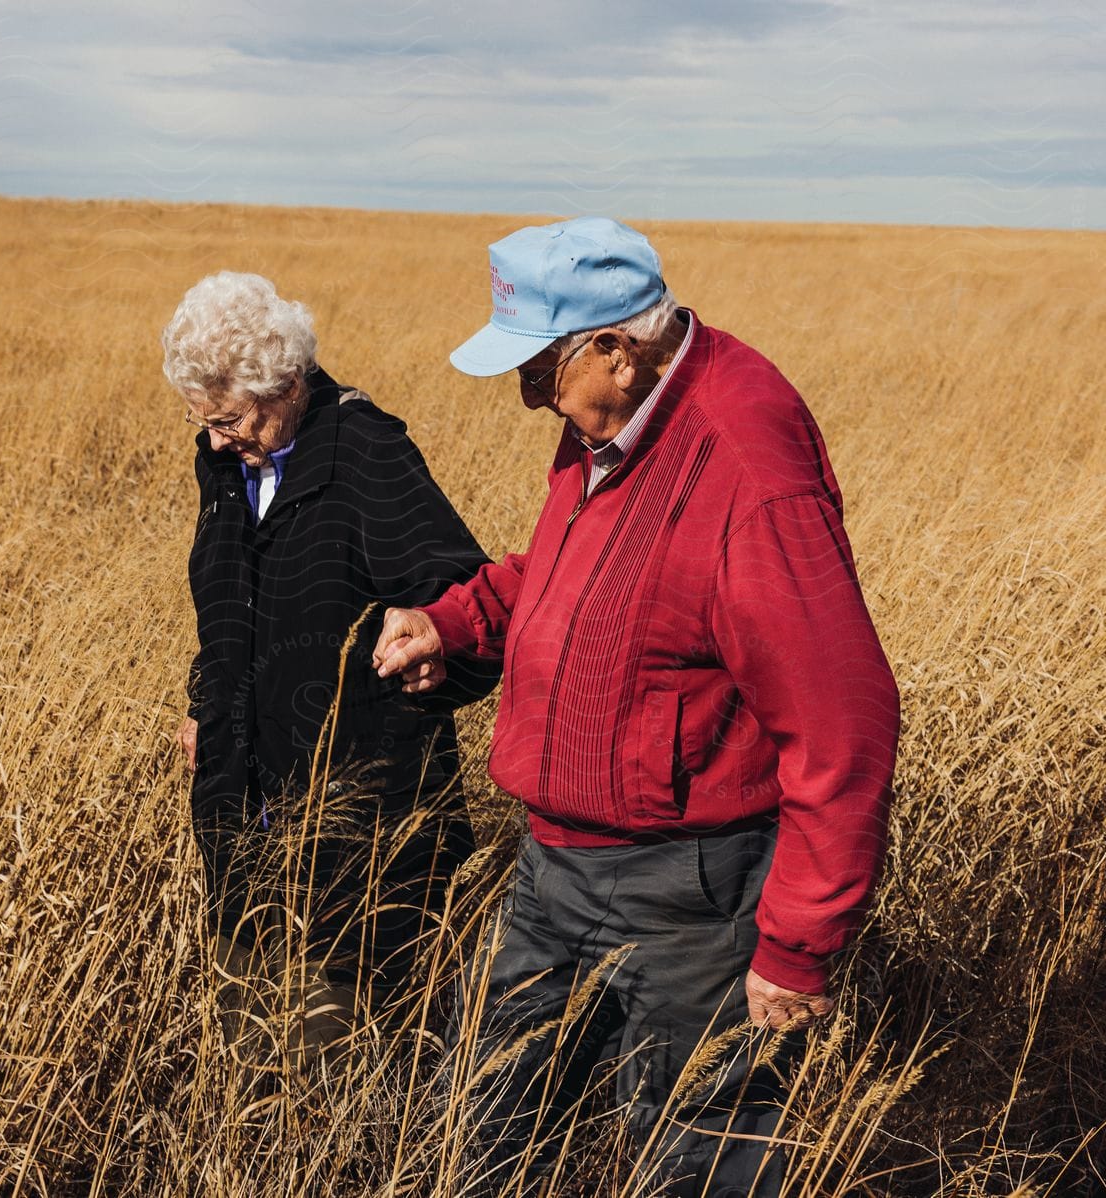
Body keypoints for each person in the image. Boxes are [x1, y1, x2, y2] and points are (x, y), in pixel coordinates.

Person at [372, 218, 901, 1195]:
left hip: (690, 891)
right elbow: (576, 575)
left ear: (617, 345)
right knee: (478, 1131)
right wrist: (458, 623)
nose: (528, 394)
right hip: (555, 863)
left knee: (699, 1162)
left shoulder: (746, 462)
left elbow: (846, 718)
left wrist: (797, 939)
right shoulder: (608, 422)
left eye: (539, 367)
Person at [166, 271, 498, 1070]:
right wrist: (209, 705)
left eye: (229, 418)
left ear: (284, 384)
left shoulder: (365, 451)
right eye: (201, 420)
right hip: (244, 816)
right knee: (252, 1053)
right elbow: (230, 611)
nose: (215, 439)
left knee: (341, 1066)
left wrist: (432, 649)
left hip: (363, 831)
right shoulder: (225, 465)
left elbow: (465, 600)